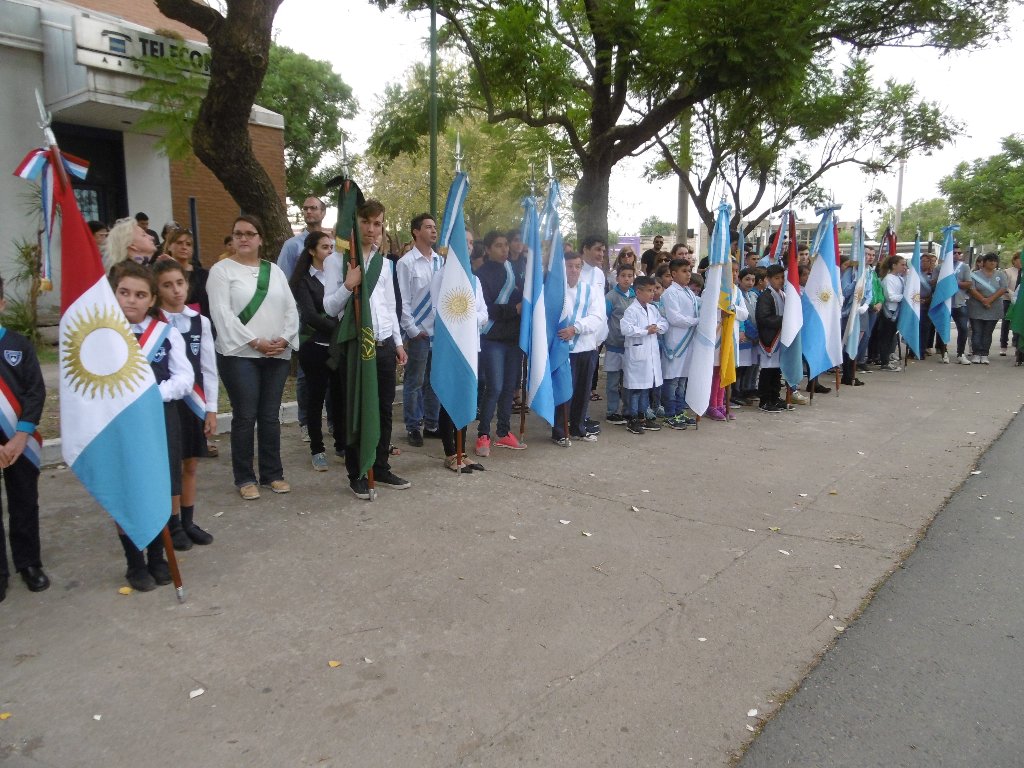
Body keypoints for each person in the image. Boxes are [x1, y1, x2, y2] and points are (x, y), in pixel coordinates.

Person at [111, 261, 193, 589]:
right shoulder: (104, 335)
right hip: (121, 423)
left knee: (160, 489)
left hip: (160, 418)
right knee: (128, 493)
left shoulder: (165, 333)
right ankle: (134, 563)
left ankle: (157, 557)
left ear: (151, 299)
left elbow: (184, 377)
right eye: (124, 292)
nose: (131, 300)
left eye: (140, 294)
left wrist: (152, 395)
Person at [323, 199, 411, 499]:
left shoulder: (384, 264)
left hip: (383, 344)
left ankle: (381, 466)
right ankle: (358, 472)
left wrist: (398, 343)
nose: (371, 229)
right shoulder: (337, 261)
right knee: (357, 409)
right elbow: (329, 308)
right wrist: (348, 285)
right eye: (365, 222)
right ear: (354, 223)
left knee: (384, 410)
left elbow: (389, 306)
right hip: (356, 347)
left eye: (377, 223)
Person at [207, 215, 299, 500]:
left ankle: (272, 474)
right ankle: (245, 477)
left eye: (249, 233)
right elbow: (222, 314)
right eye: (238, 234)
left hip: (276, 352)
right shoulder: (221, 271)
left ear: (260, 239)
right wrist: (254, 341)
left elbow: (291, 308)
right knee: (245, 415)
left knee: (270, 416)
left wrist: (285, 337)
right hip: (239, 354)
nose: (243, 238)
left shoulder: (274, 271)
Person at [153, 260, 217, 547]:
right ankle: (173, 523)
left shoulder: (200, 321)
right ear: (157, 290)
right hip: (166, 403)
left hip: (194, 402)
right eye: (167, 285)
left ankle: (188, 521)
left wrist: (211, 408)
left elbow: (208, 367)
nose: (176, 290)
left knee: (190, 463)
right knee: (171, 466)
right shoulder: (153, 324)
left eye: (180, 283)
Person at [0, 276, 48, 603]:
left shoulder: (18, 345)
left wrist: (20, 436)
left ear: (2, 304)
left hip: (20, 440)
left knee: (24, 503)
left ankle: (29, 562)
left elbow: (35, 390)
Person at [290, 231, 344, 472]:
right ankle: (317, 449)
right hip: (314, 347)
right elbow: (311, 315)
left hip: (337, 348)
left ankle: (341, 444)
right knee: (316, 399)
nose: (330, 251)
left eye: (332, 247)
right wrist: (340, 329)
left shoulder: (338, 276)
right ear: (312, 251)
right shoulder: (303, 281)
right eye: (325, 247)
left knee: (339, 398)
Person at [277, 196, 328, 443]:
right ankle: (306, 422)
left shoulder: (332, 242)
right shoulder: (292, 246)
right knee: (306, 375)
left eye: (314, 208)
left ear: (323, 212)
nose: (309, 212)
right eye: (305, 208)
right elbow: (283, 281)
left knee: (331, 372)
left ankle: (332, 421)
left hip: (329, 316)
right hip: (303, 318)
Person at [474, 230, 526, 455]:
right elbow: (486, 309)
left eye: (506, 244)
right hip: (492, 337)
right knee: (494, 386)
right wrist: (514, 309)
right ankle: (483, 434)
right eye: (498, 245)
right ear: (487, 249)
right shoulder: (480, 275)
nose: (504, 249)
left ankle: (503, 432)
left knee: (509, 387)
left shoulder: (513, 270)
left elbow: (525, 296)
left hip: (513, 337)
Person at [551, 251, 607, 445]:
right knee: (565, 389)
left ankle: (577, 428)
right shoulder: (555, 291)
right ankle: (560, 431)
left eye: (577, 266)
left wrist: (575, 328)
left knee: (583, 391)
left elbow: (597, 317)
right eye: (569, 266)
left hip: (587, 347)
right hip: (564, 349)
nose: (574, 270)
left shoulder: (589, 290)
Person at [397, 213, 442, 446]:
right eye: (428, 227)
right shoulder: (406, 263)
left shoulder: (440, 261)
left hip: (438, 332)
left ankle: (432, 423)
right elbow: (403, 300)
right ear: (416, 232)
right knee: (414, 380)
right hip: (419, 332)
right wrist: (412, 330)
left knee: (435, 380)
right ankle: (413, 425)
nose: (433, 231)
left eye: (434, 227)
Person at [620, 276, 666, 434]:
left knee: (646, 388)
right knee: (635, 390)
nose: (653, 293)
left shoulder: (652, 309)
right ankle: (632, 419)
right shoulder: (631, 310)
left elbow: (664, 323)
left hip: (649, 356)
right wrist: (645, 331)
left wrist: (657, 327)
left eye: (653, 290)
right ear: (638, 292)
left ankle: (642, 417)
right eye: (649, 291)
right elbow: (626, 329)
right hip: (637, 355)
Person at [660, 258, 699, 429]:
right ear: (674, 274)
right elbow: (674, 318)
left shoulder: (688, 292)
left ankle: (679, 411)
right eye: (684, 271)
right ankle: (670, 414)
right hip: (676, 343)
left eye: (689, 271)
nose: (688, 274)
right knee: (672, 380)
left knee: (682, 380)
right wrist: (696, 321)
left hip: (688, 342)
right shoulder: (670, 293)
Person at [603, 263, 635, 424]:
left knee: (628, 381)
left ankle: (628, 410)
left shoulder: (636, 296)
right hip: (614, 345)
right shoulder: (610, 297)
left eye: (629, 276)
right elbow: (604, 319)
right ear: (617, 278)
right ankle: (612, 412)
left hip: (631, 346)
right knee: (613, 382)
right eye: (623, 276)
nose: (626, 279)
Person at [966, 252, 1009, 364]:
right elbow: (971, 288)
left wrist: (989, 300)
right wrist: (983, 300)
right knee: (977, 331)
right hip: (976, 307)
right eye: (990, 260)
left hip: (994, 307)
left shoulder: (1001, 274)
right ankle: (976, 353)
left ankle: (984, 354)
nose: (992, 263)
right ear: (984, 262)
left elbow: (1003, 288)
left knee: (988, 332)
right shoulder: (974, 274)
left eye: (995, 261)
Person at [756, 265, 786, 412]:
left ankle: (775, 397)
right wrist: (784, 320)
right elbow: (763, 318)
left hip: (780, 338)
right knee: (767, 370)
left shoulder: (783, 294)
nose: (780, 280)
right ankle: (765, 400)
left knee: (777, 370)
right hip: (769, 338)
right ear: (768, 279)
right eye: (776, 278)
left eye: (782, 277)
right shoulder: (766, 296)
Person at [160, 227, 210, 317]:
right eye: (179, 243)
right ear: (169, 246)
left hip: (199, 320)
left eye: (188, 244)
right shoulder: (162, 273)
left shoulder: (203, 274)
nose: (184, 247)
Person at [875, 255, 906, 371]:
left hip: (897, 311)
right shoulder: (888, 279)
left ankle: (886, 359)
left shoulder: (900, 278)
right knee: (886, 337)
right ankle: (884, 362)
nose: (904, 267)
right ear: (894, 265)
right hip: (889, 312)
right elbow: (890, 296)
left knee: (890, 336)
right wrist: (904, 297)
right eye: (902, 264)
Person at [950, 244, 973, 364]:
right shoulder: (941, 267)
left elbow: (968, 283)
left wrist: (954, 282)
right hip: (945, 303)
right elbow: (934, 283)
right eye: (954, 253)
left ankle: (960, 353)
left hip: (959, 302)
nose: (957, 255)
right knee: (942, 328)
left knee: (963, 328)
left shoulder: (964, 267)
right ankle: (943, 352)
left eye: (959, 253)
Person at [999, 252, 1020, 355]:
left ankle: (1017, 345)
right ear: (1014, 260)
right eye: (1019, 259)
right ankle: (1003, 345)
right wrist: (1012, 294)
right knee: (1006, 323)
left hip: (1020, 302)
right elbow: (1004, 286)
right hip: (1008, 300)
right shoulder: (1007, 272)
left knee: (1018, 323)